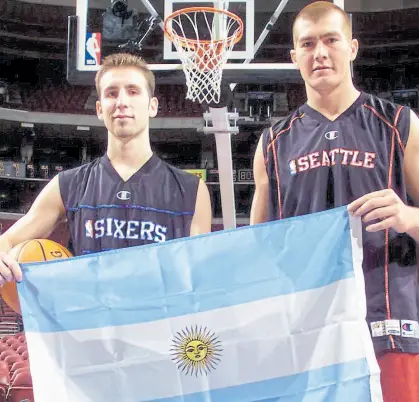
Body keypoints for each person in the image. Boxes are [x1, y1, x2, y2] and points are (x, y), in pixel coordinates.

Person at [250, 2, 419, 401]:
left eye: (330, 40)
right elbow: (257, 250)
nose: (320, 52)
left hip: (389, 325)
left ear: (353, 47)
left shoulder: (399, 125)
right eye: (307, 44)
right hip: (307, 333)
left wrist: (408, 216)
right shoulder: (272, 144)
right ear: (294, 57)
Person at [0, 52, 212, 279]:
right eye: (112, 93)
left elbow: (199, 275)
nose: (122, 102)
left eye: (133, 91)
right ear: (100, 109)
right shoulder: (68, 184)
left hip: (160, 314)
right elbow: (8, 241)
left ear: (152, 106)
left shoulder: (192, 189)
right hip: (92, 313)